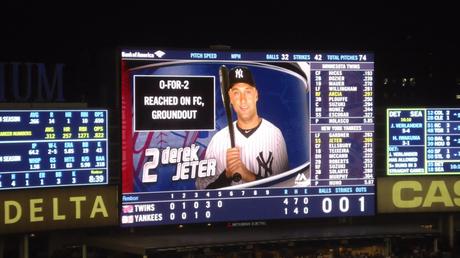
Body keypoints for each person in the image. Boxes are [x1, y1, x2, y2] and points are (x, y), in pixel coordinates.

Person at [196, 66, 289, 189]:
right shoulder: (217, 140)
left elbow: (285, 187)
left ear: (256, 94)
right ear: (230, 97)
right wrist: (227, 175)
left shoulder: (274, 135)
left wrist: (249, 176)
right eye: (236, 93)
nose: (243, 100)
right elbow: (202, 191)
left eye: (247, 92)